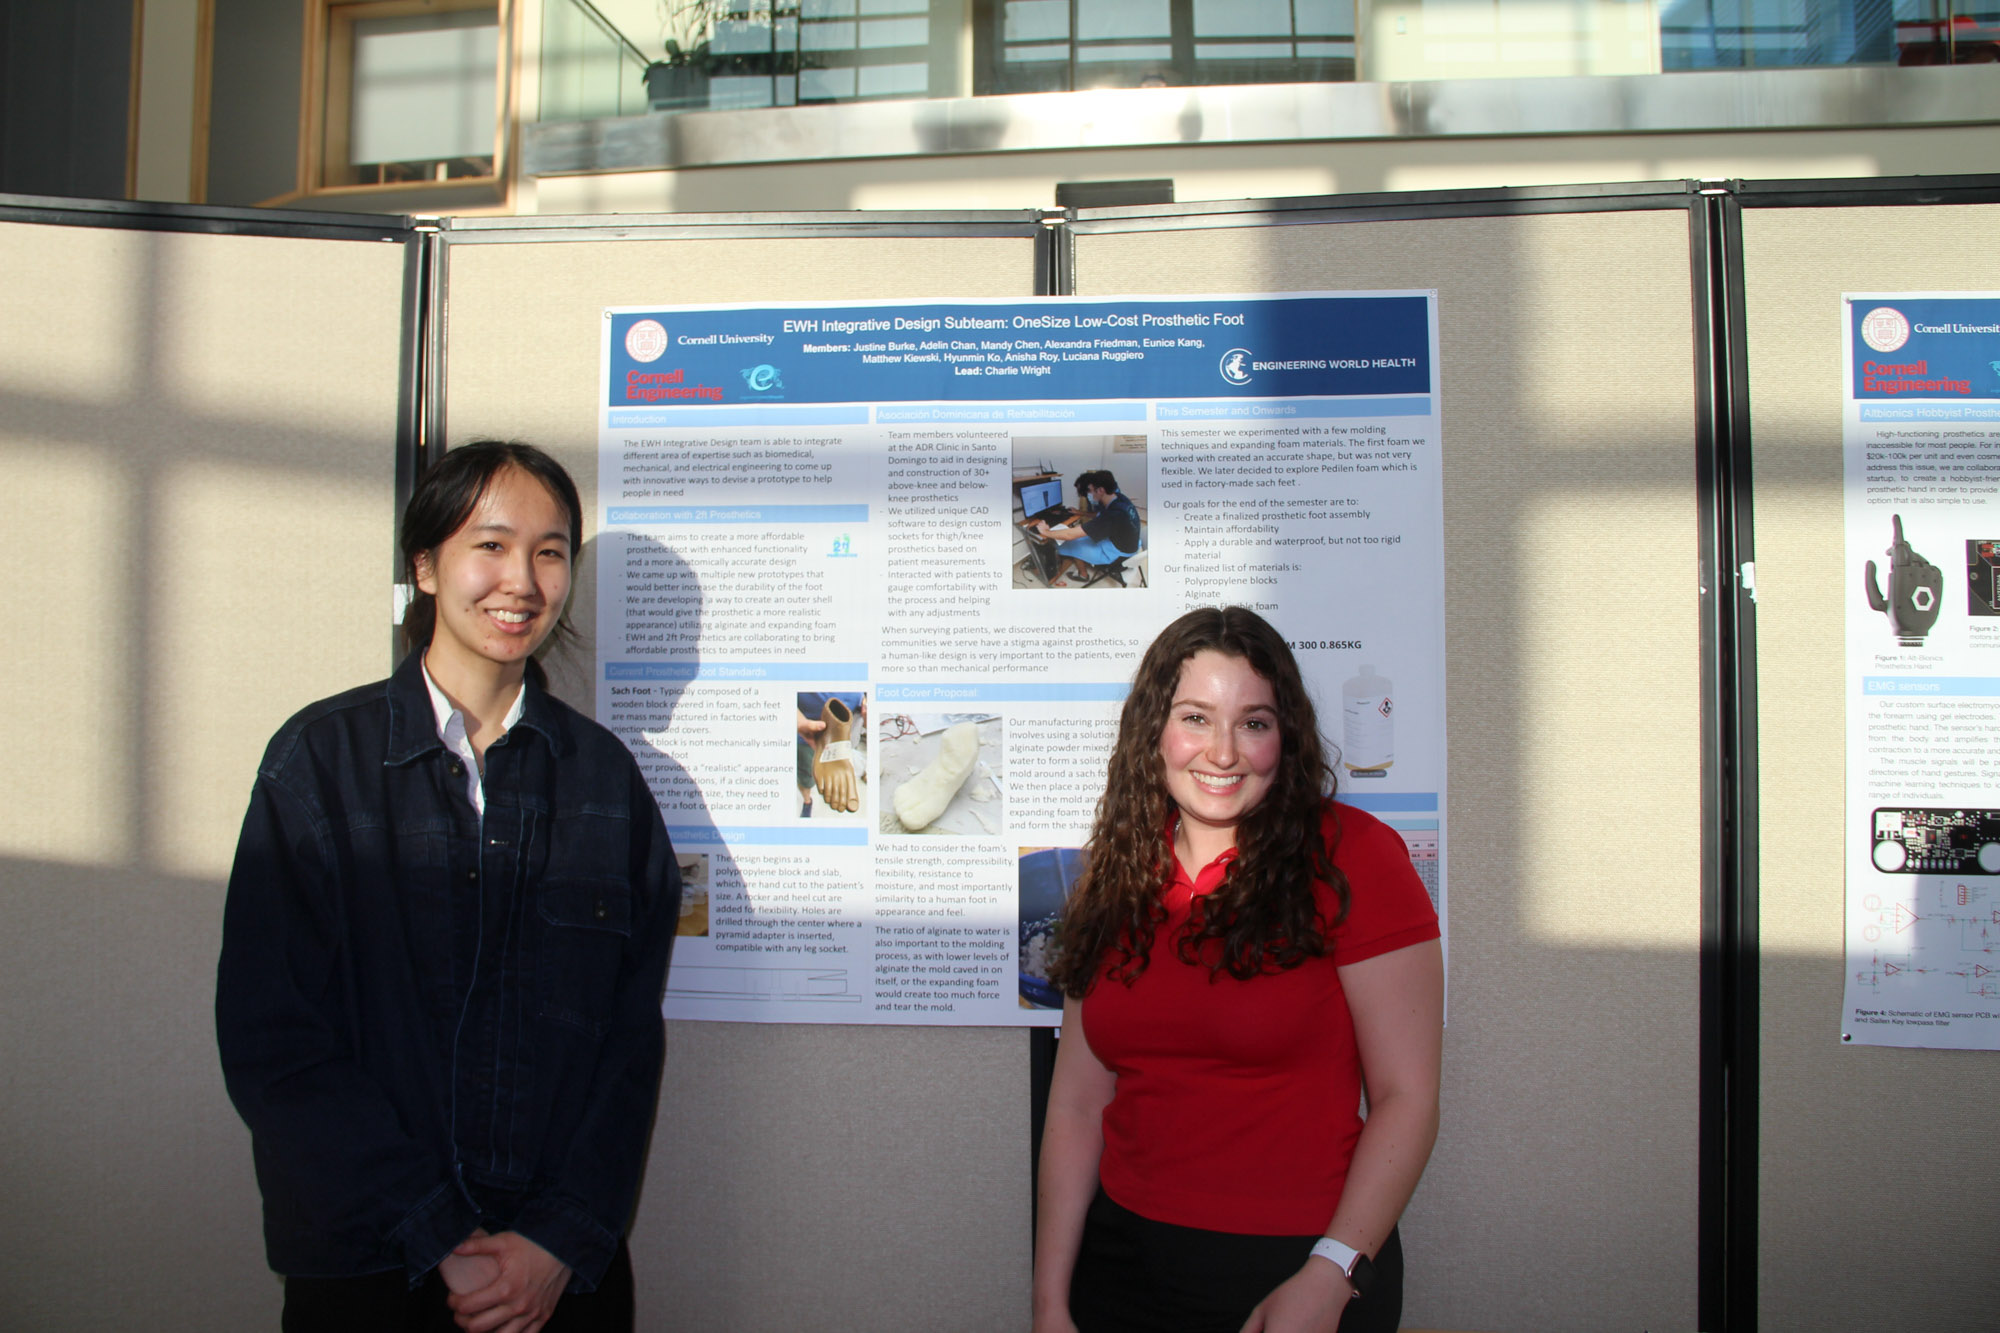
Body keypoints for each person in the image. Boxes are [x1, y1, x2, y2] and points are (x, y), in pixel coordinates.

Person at [216, 441, 681, 1333]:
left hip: (558, 1284)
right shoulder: (320, 763)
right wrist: (438, 1236)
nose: (523, 579)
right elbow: (272, 1037)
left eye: (551, 552)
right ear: (426, 564)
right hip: (367, 1267)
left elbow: (627, 1047)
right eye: (492, 544)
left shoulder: (604, 782)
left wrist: (557, 1239)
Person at [1031, 607, 1443, 1333]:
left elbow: (1406, 1097)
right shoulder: (1115, 874)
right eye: (1196, 716)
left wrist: (1331, 1273)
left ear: (1285, 737)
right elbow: (1074, 1106)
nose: (1223, 751)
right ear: (1152, 732)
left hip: (1298, 1270)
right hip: (1121, 1266)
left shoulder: (1354, 858)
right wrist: (1049, 1301)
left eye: (1253, 722)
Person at [1033, 470, 1141, 587]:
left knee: (1072, 542)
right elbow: (1099, 515)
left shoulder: (1112, 515)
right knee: (1080, 538)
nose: (1089, 494)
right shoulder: (1119, 498)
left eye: (1090, 490)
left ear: (1100, 490)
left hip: (1119, 555)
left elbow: (1070, 535)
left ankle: (1082, 575)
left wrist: (1045, 531)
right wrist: (1080, 513)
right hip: (1131, 545)